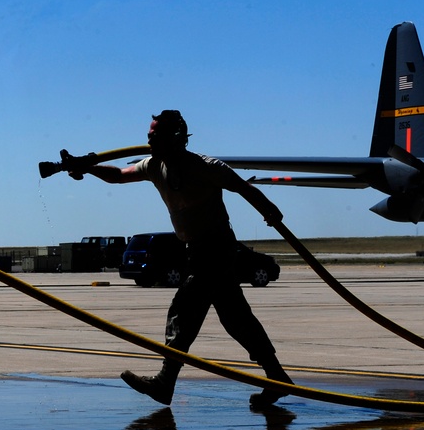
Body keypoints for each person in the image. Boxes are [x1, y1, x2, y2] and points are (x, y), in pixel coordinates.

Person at [60, 110, 294, 414]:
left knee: (185, 310)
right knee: (236, 317)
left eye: (155, 136)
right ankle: (276, 376)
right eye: (149, 136)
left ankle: (165, 381)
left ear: (176, 138)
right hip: (196, 250)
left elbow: (243, 187)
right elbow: (118, 175)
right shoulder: (154, 166)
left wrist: (269, 210)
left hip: (217, 248)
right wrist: (88, 167)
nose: (149, 141)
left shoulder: (205, 166)